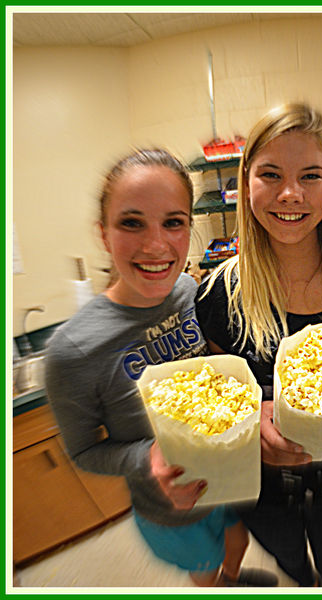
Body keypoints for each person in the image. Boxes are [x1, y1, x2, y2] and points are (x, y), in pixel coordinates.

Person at [45, 148, 277, 587]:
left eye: (173, 222)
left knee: (237, 543)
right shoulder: (73, 350)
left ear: (189, 227)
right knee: (204, 571)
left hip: (228, 478)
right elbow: (82, 452)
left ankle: (232, 580)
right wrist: (145, 457)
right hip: (170, 508)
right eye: (131, 223)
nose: (155, 245)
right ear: (103, 232)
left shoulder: (189, 291)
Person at [195, 103, 322, 586]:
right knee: (291, 564)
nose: (290, 194)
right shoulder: (218, 294)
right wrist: (248, 423)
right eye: (270, 174)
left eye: (310, 175)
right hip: (258, 483)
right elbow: (212, 397)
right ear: (246, 184)